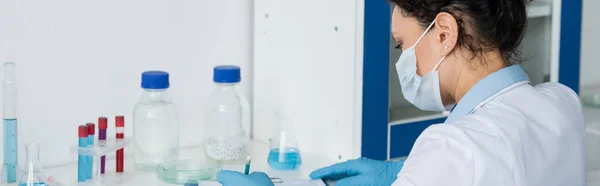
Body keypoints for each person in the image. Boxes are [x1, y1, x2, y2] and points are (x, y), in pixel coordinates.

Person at [216, 0, 586, 185]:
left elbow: (468, 159)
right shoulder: (562, 102)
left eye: (402, 45)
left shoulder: (453, 148)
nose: (406, 62)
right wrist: (404, 171)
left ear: (444, 33)